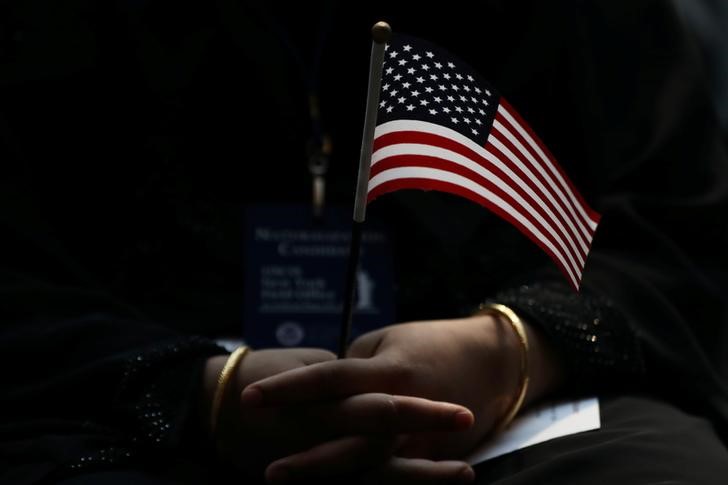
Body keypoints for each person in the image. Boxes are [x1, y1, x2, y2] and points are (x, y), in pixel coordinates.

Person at [2, 0, 728, 484]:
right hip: (122, 409)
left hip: (519, 414)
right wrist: (205, 396)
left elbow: (683, 233)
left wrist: (514, 347)